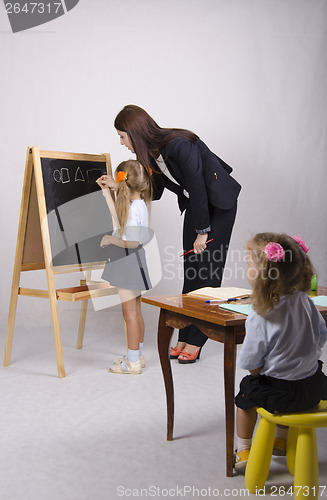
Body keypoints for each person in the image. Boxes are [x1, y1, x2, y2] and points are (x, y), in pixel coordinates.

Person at [114, 104, 241, 363]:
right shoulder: (151, 157)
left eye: (122, 136)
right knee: (192, 269)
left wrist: (202, 232)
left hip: (217, 202)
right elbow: (155, 192)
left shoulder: (179, 144)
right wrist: (118, 184)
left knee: (207, 271)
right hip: (197, 203)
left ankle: (198, 339)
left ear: (134, 132)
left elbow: (197, 184)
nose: (121, 142)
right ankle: (185, 332)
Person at [234, 232, 327, 471]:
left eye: (248, 263)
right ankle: (281, 441)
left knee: (246, 395)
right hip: (313, 387)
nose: (246, 268)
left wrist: (260, 373)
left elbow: (251, 363)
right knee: (292, 381)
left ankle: (243, 450)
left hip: (281, 394)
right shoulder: (306, 301)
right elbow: (321, 334)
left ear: (262, 273)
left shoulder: (259, 315)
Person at [97, 160, 152, 374]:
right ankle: (136, 354)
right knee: (135, 311)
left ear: (123, 181)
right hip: (136, 261)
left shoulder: (132, 209)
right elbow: (120, 220)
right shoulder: (139, 204)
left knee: (129, 314)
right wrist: (106, 194)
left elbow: (132, 242)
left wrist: (110, 240)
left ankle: (132, 362)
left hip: (127, 261)